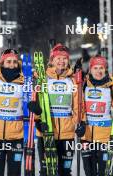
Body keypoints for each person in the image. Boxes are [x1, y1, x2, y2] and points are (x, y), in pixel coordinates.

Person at [29, 43, 79, 176]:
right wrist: (38, 121)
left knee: (65, 171)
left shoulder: (72, 80)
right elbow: (35, 101)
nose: (61, 61)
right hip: (46, 131)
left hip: (67, 133)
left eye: (65, 58)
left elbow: (77, 106)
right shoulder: (42, 78)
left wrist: (79, 123)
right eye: (58, 58)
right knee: (46, 171)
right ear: (52, 60)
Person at [80, 56, 113, 176]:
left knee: (104, 171)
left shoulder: (112, 86)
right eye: (95, 68)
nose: (99, 71)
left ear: (105, 69)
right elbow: (79, 108)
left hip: (105, 137)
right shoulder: (83, 85)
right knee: (89, 172)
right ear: (90, 70)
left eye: (101, 68)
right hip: (87, 136)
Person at [0, 49, 26, 176]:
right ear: (2, 63)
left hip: (16, 136)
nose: (12, 64)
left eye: (14, 62)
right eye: (8, 62)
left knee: (15, 173)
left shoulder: (24, 81)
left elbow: (31, 103)